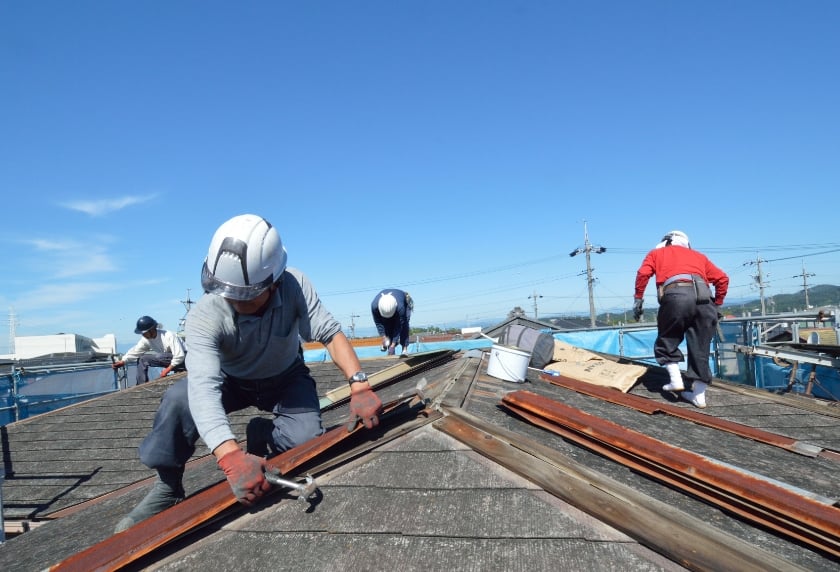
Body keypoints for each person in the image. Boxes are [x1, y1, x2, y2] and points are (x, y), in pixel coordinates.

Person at [114, 214, 383, 533]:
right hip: (233, 382)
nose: (233, 300)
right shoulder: (206, 314)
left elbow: (330, 333)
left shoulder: (294, 286)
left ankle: (262, 434)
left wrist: (359, 385)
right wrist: (230, 457)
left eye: (246, 294)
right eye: (227, 292)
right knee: (178, 399)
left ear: (275, 281)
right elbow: (202, 388)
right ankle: (168, 485)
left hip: (285, 378)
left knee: (308, 443)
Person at [632, 230, 729, 409]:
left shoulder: (657, 253)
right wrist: (717, 304)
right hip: (705, 299)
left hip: (676, 295)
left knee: (668, 338)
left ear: (666, 242)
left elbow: (643, 274)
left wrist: (638, 299)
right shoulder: (699, 256)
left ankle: (676, 380)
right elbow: (722, 279)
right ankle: (699, 396)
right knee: (701, 347)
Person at [112, 316, 186, 385]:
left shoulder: (169, 335)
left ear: (152, 330)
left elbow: (179, 355)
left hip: (185, 360)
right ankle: (141, 385)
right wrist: (123, 361)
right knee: (142, 359)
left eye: (144, 333)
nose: (143, 335)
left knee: (159, 356)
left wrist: (167, 370)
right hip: (172, 361)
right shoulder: (146, 340)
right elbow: (136, 351)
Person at [371, 289, 413, 355]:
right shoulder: (374, 306)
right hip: (388, 309)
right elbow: (378, 323)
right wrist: (384, 337)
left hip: (403, 302)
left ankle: (404, 349)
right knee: (387, 326)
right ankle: (390, 349)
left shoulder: (400, 307)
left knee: (404, 325)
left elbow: (399, 326)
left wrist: (393, 345)